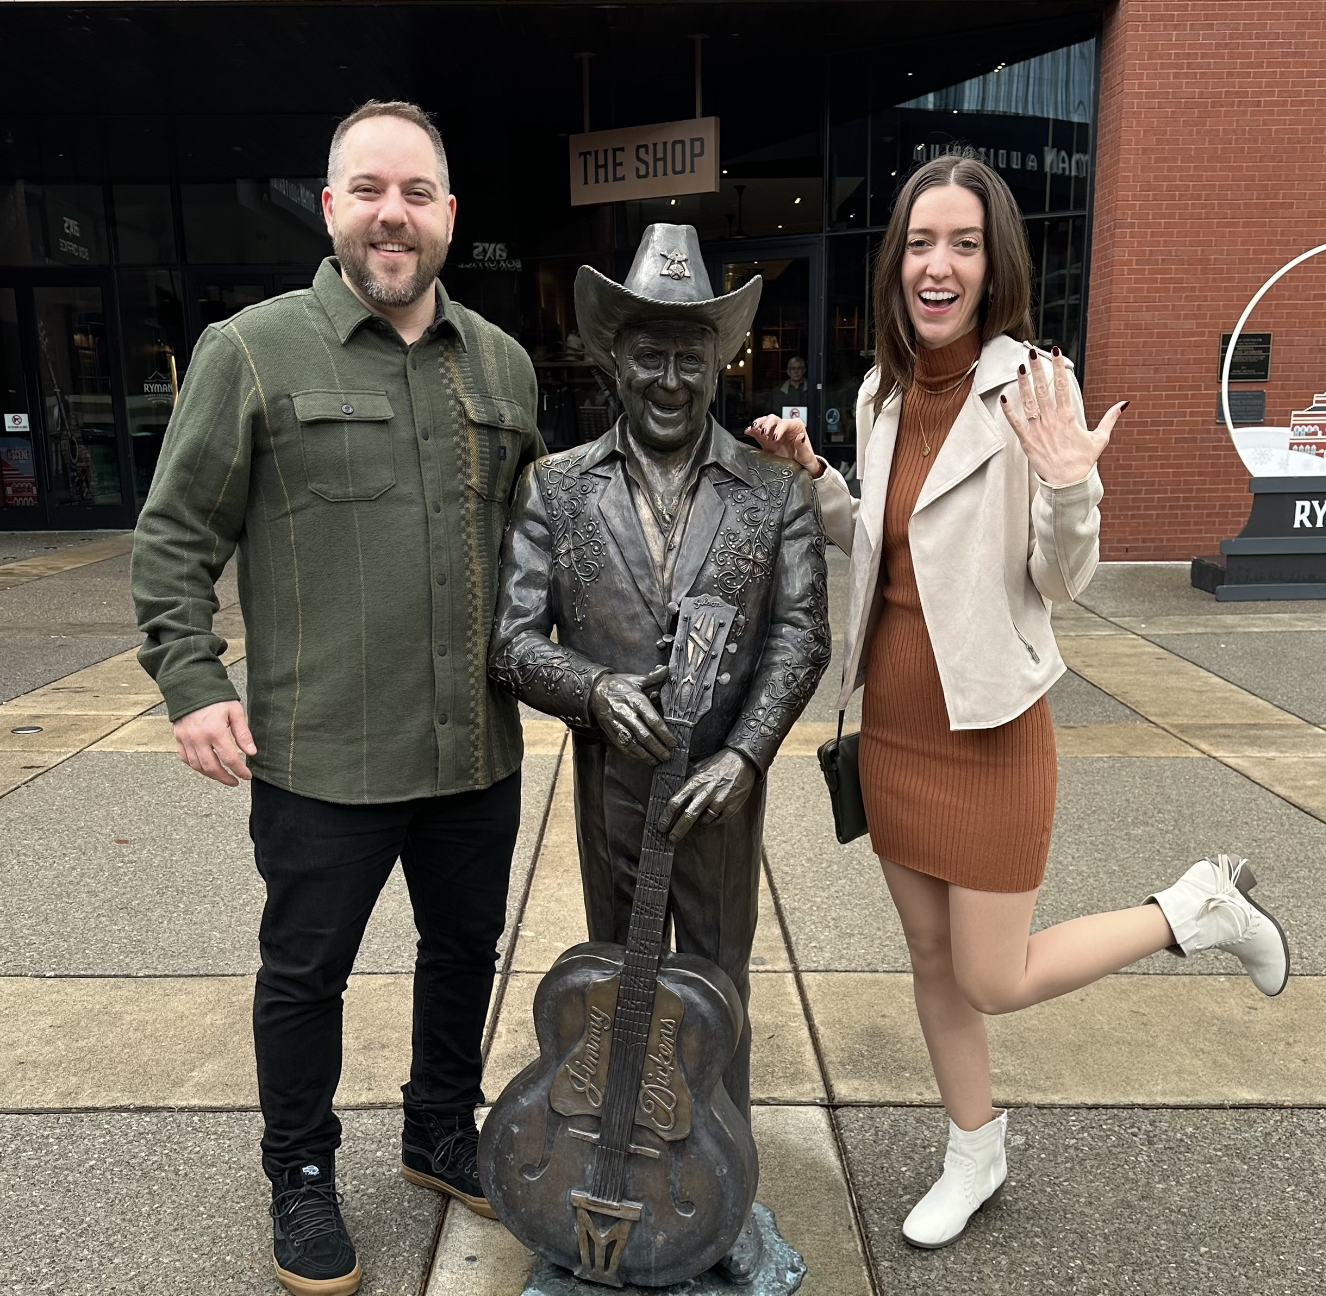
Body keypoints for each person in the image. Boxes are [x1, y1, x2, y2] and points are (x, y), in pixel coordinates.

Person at [746, 155, 1290, 1252]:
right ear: (896, 260)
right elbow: (883, 551)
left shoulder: (1035, 386)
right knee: (932, 961)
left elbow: (1059, 578)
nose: (936, 266)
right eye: (918, 243)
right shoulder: (883, 388)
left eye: (961, 244)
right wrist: (815, 481)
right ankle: (974, 1144)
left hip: (990, 733)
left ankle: (1195, 909)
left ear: (995, 265)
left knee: (993, 973)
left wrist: (1074, 486)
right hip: (893, 727)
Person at [131, 100, 544, 1296]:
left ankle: (435, 1129)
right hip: (321, 760)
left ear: (449, 215)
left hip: (475, 751)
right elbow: (173, 537)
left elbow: (539, 553)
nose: (392, 214)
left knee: (465, 949)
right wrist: (191, 680)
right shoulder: (252, 351)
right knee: (305, 976)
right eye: (368, 190)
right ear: (330, 209)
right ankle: (302, 1178)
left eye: (415, 192)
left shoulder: (504, 366)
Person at [489, 222, 831, 1281]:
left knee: (718, 994)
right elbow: (511, 640)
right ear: (613, 356)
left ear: (722, 359)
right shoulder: (557, 486)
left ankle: (721, 1207)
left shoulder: (774, 492)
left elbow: (800, 633)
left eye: (693, 353)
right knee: (620, 999)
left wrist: (747, 755)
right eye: (650, 352)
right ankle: (626, 1180)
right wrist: (589, 690)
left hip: (723, 797)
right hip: (613, 794)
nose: (671, 376)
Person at [765, 355, 810, 422]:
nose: (796, 371)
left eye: (799, 368)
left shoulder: (812, 390)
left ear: (804, 370)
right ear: (788, 372)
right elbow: (768, 416)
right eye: (792, 368)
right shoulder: (777, 393)